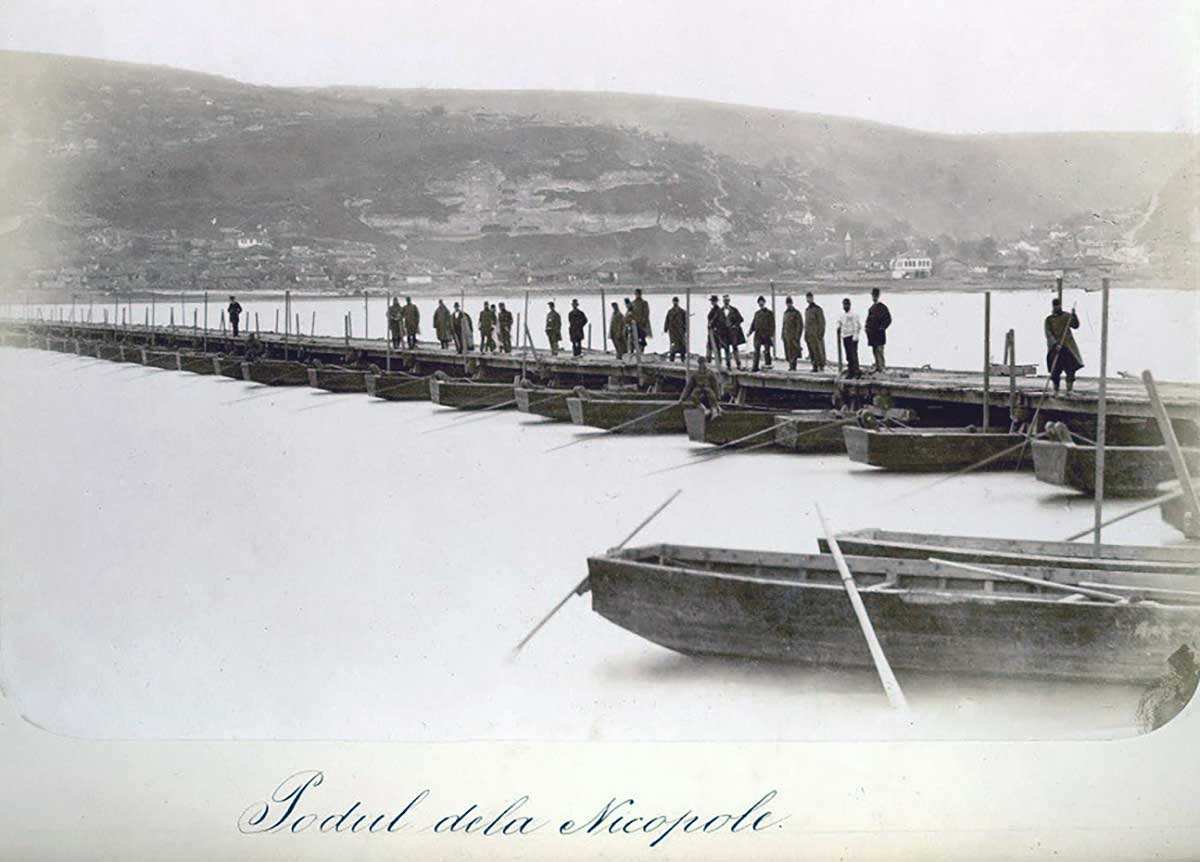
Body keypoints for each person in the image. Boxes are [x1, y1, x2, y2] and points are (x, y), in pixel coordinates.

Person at [1044, 297, 1083, 393]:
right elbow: (1048, 334)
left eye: (1058, 305)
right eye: (1055, 306)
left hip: (1067, 347)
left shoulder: (1066, 316)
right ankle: (1056, 390)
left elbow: (1075, 325)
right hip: (1055, 349)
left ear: (1060, 305)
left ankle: (1069, 390)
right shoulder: (1049, 320)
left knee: (1070, 369)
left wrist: (1074, 316)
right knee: (1055, 370)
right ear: (1053, 307)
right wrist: (1055, 344)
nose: (1057, 307)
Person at [865, 287, 892, 372]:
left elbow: (888, 319)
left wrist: (882, 327)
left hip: (879, 334)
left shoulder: (882, 307)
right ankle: (878, 367)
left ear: (878, 296)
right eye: (873, 296)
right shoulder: (872, 308)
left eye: (875, 296)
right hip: (872, 334)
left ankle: (881, 368)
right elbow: (869, 320)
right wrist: (867, 328)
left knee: (879, 351)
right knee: (875, 351)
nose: (874, 297)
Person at [748, 295, 775, 371]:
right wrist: (750, 332)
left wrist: (772, 335)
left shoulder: (769, 313)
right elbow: (753, 324)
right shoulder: (757, 313)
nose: (760, 303)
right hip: (758, 335)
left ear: (764, 302)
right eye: (759, 302)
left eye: (762, 302)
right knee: (756, 351)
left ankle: (768, 365)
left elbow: (772, 325)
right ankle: (755, 367)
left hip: (766, 335)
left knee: (767, 351)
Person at [837, 297, 862, 378]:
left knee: (853, 355)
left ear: (849, 305)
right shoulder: (842, 315)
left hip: (852, 337)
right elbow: (839, 322)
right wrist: (838, 325)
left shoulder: (854, 315)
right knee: (848, 355)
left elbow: (857, 326)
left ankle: (856, 371)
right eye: (844, 305)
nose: (845, 306)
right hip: (845, 336)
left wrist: (855, 336)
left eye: (846, 305)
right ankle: (850, 370)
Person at [804, 292, 826, 372]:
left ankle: (821, 366)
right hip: (809, 334)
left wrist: (821, 333)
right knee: (812, 351)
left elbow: (822, 322)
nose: (808, 299)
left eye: (810, 297)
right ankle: (814, 365)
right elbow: (806, 323)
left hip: (816, 334)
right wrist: (805, 334)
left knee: (819, 351)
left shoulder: (818, 309)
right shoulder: (807, 310)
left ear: (812, 298)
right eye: (807, 298)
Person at [781, 296, 804, 371]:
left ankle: (793, 366)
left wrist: (797, 336)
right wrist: (782, 334)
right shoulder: (785, 313)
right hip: (786, 336)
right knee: (788, 352)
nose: (788, 305)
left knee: (794, 352)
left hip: (793, 336)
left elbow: (800, 325)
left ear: (792, 303)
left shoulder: (796, 313)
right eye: (787, 303)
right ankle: (791, 365)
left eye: (789, 303)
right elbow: (784, 325)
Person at [722, 295, 745, 369]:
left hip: (733, 333)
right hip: (725, 333)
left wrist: (735, 325)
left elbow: (741, 319)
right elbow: (717, 321)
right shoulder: (720, 311)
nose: (726, 302)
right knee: (726, 349)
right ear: (723, 301)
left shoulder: (734, 310)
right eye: (725, 301)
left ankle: (738, 364)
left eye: (727, 301)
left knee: (735, 348)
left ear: (729, 301)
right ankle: (728, 365)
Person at [706, 294, 729, 367]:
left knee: (716, 347)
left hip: (716, 332)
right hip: (711, 332)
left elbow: (720, 321)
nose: (712, 302)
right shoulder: (714, 309)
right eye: (712, 301)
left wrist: (714, 327)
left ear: (716, 301)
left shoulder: (718, 310)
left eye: (713, 301)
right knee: (710, 346)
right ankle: (709, 361)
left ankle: (718, 362)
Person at [664, 296, 687, 361]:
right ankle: (672, 359)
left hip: (680, 332)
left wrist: (685, 329)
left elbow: (685, 321)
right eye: (674, 301)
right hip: (673, 332)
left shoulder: (682, 311)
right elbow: (667, 320)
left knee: (682, 346)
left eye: (676, 301)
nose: (675, 302)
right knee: (673, 346)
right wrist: (665, 328)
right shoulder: (670, 311)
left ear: (678, 302)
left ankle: (683, 359)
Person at [630, 288, 651, 354]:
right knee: (632, 339)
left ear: (640, 294)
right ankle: (633, 352)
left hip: (642, 325)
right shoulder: (632, 303)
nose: (637, 295)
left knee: (642, 338)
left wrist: (643, 321)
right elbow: (630, 313)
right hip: (634, 324)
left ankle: (641, 351)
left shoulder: (644, 303)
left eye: (638, 294)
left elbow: (646, 313)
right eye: (636, 294)